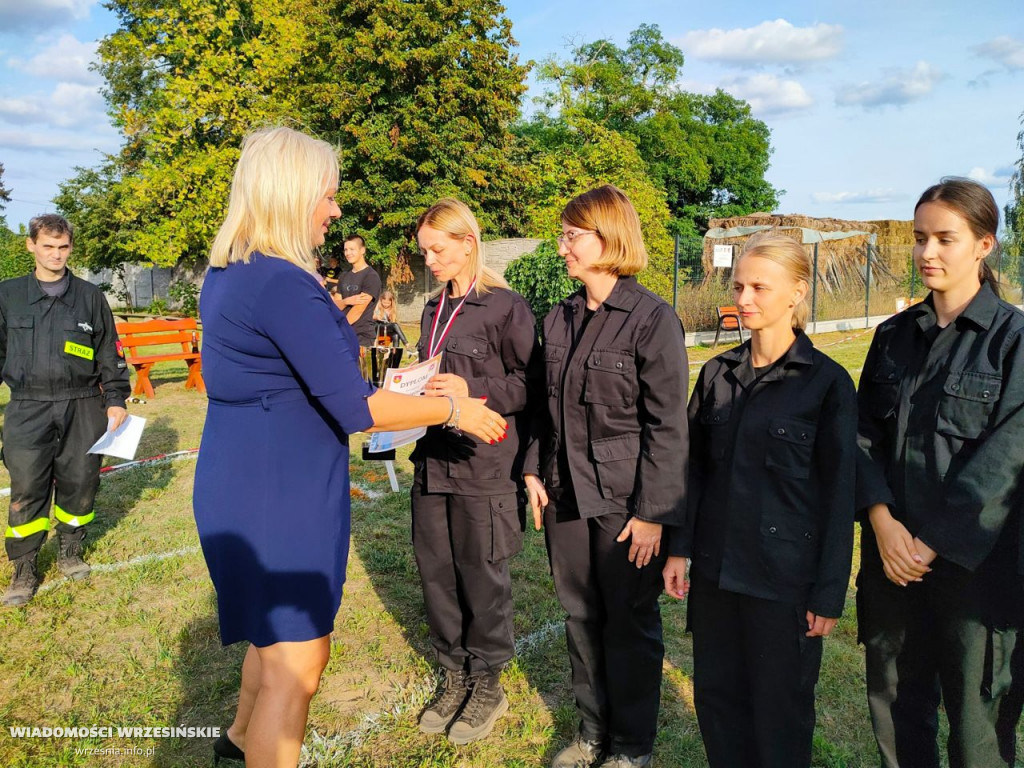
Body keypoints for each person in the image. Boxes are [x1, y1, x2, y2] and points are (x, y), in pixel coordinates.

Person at [192, 126, 506, 768]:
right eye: (328, 196)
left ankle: (235, 744)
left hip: (240, 478)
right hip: (281, 493)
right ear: (293, 193)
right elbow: (356, 407)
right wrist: (454, 408)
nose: (335, 212)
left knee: (269, 639)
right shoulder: (283, 282)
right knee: (299, 659)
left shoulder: (229, 273)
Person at [662, 233, 857, 767]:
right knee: (718, 706)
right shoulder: (717, 376)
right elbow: (693, 472)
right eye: (739, 286)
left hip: (783, 584)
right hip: (718, 578)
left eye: (758, 287)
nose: (744, 298)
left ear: (796, 292)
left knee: (780, 715)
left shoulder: (827, 385)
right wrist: (679, 550)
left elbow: (840, 494)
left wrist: (828, 592)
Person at [856, 177, 1024, 768]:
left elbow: (1003, 463)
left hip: (976, 572)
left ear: (983, 245)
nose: (927, 253)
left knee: (978, 724)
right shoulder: (892, 338)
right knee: (897, 708)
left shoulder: (1015, 343)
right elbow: (863, 440)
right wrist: (881, 522)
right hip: (892, 564)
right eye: (919, 238)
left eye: (945, 239)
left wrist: (930, 542)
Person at [524, 185, 689, 768]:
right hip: (566, 495)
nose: (562, 246)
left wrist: (652, 514)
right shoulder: (560, 316)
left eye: (573, 236)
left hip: (624, 506)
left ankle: (631, 746)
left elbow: (668, 427)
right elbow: (544, 407)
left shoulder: (652, 320)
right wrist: (532, 471)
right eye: (564, 235)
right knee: (579, 616)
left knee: (628, 624)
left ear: (607, 239)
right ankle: (592, 732)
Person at [410, 198, 539, 745]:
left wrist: (474, 391)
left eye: (438, 250)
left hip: (484, 468)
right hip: (433, 464)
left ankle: (487, 680)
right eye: (424, 252)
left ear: (468, 242)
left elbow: (533, 386)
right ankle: (453, 672)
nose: (430, 261)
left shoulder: (506, 307)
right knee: (437, 574)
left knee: (481, 577)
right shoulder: (431, 308)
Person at [0, 214, 130, 607]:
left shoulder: (90, 297)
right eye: (48, 246)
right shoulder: (7, 295)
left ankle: (70, 549)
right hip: (27, 406)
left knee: (80, 479)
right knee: (26, 486)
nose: (56, 255)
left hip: (82, 404)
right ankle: (24, 568)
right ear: (31, 246)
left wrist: (116, 399)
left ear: (71, 248)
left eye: (63, 247)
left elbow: (110, 352)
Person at [335, 234, 381, 347]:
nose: (348, 253)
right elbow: (335, 306)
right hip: (342, 334)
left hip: (361, 336)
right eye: (346, 250)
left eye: (352, 249)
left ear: (362, 250)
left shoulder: (371, 276)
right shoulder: (343, 276)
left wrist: (339, 330)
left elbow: (358, 311)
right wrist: (347, 301)